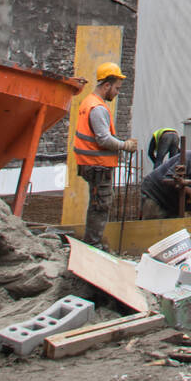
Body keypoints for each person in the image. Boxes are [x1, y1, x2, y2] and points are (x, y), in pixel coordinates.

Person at [73, 62, 139, 248]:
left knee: (97, 203)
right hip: (97, 165)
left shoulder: (90, 103)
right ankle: (93, 245)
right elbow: (103, 139)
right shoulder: (98, 108)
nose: (117, 92)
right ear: (107, 85)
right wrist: (124, 145)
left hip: (91, 163)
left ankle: (92, 242)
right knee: (100, 205)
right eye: (116, 88)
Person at [141, 149, 191, 219]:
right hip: (156, 193)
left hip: (172, 201)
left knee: (172, 232)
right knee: (153, 228)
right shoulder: (189, 158)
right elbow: (169, 179)